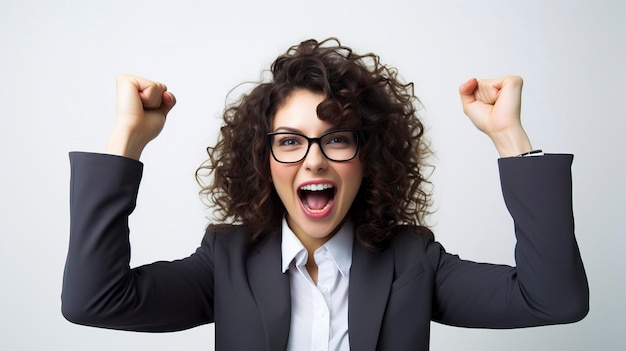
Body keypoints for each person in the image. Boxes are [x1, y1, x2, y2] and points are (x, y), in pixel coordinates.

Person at [62, 38, 589, 350]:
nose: (313, 159)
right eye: (289, 142)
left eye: (336, 138)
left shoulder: (414, 261)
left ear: (369, 157)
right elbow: (94, 302)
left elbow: (553, 300)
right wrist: (126, 141)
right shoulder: (226, 261)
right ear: (263, 161)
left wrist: (509, 139)